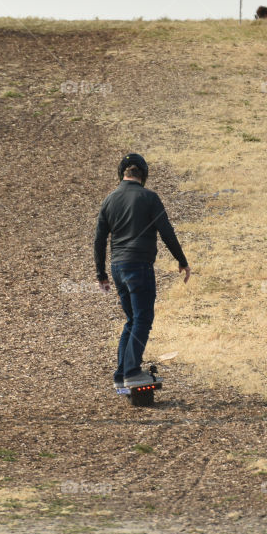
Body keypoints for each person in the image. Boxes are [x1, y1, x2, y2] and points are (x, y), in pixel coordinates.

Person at [95, 153, 190, 394]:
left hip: (118, 268)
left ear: (122, 173)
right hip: (139, 266)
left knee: (131, 320)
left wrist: (101, 273)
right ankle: (132, 371)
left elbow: (99, 240)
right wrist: (182, 261)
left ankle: (121, 375)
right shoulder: (149, 197)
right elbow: (166, 231)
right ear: (143, 175)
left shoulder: (109, 200)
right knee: (143, 319)